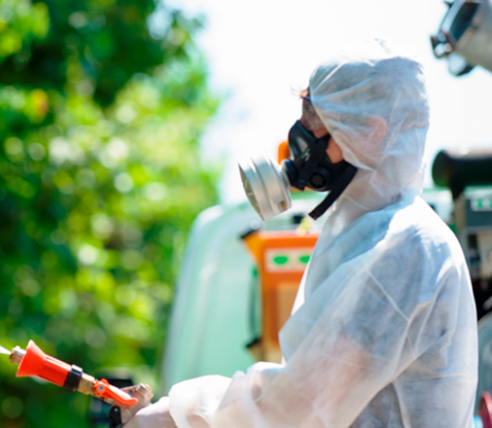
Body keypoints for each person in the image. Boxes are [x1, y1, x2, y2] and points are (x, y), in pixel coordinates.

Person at [126, 39, 478, 428]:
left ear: (372, 133)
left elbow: (294, 409)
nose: (300, 136)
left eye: (316, 118)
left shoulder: (408, 246)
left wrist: (170, 416)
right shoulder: (368, 234)